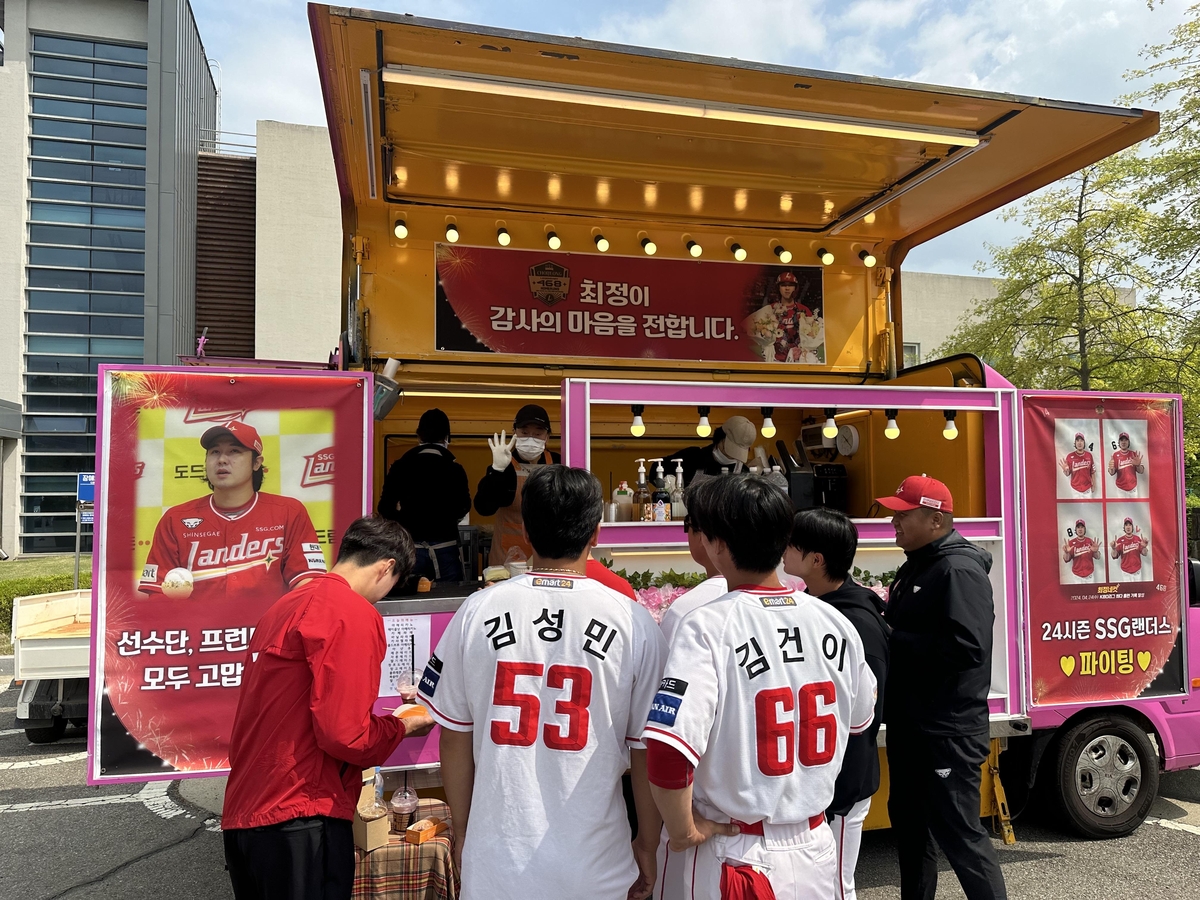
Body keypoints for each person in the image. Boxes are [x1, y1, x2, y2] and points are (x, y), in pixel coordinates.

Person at [420, 465, 668, 900]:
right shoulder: (632, 620)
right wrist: (647, 845)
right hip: (597, 867)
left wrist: (462, 832)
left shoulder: (478, 611)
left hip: (497, 862)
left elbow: (455, 736)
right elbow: (647, 750)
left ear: (527, 534)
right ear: (596, 534)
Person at [644, 474, 876, 900]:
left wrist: (682, 831)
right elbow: (861, 721)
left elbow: (667, 751)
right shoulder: (835, 622)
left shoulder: (708, 624)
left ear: (717, 544)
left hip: (733, 852)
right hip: (814, 847)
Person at [222, 516, 436, 900]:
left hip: (247, 811)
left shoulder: (286, 604)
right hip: (301, 811)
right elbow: (346, 735)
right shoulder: (349, 612)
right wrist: (402, 726)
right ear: (387, 567)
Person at [876, 475, 1007, 900]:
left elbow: (967, 647)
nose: (894, 522)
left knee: (960, 836)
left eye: (903, 514)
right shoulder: (918, 562)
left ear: (936, 518)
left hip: (946, 730)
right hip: (913, 725)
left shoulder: (958, 568)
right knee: (911, 830)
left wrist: (892, 636)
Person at [784, 507, 889, 900]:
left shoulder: (857, 620)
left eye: (791, 544)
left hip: (845, 781)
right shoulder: (813, 602)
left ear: (816, 559)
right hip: (815, 777)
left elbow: (869, 711)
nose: (782, 550)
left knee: (836, 886)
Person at [138, 420, 327, 602]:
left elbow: (307, 584)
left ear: (256, 463)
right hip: (199, 632)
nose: (221, 460)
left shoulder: (289, 512)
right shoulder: (176, 519)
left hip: (268, 630)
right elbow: (158, 593)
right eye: (214, 452)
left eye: (234, 451)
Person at [377, 408, 471, 583]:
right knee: (449, 599)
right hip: (446, 548)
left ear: (419, 436)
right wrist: (445, 519)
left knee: (410, 599)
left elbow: (384, 508)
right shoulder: (454, 469)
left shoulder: (400, 467)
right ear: (447, 437)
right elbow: (464, 506)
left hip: (410, 549)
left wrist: (405, 520)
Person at [473, 403, 561, 566]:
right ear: (514, 433)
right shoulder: (503, 464)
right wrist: (496, 470)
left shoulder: (558, 463)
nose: (531, 438)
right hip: (507, 558)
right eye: (525, 433)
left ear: (547, 437)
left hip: (547, 554)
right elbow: (483, 508)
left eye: (538, 434)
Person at [658, 480, 728, 644]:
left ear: (703, 534)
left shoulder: (686, 611)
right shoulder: (796, 604)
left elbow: (667, 667)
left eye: (687, 524)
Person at [669, 415, 757, 486]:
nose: (733, 456)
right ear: (721, 439)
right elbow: (656, 470)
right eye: (732, 450)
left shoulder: (743, 473)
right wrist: (669, 483)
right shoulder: (691, 457)